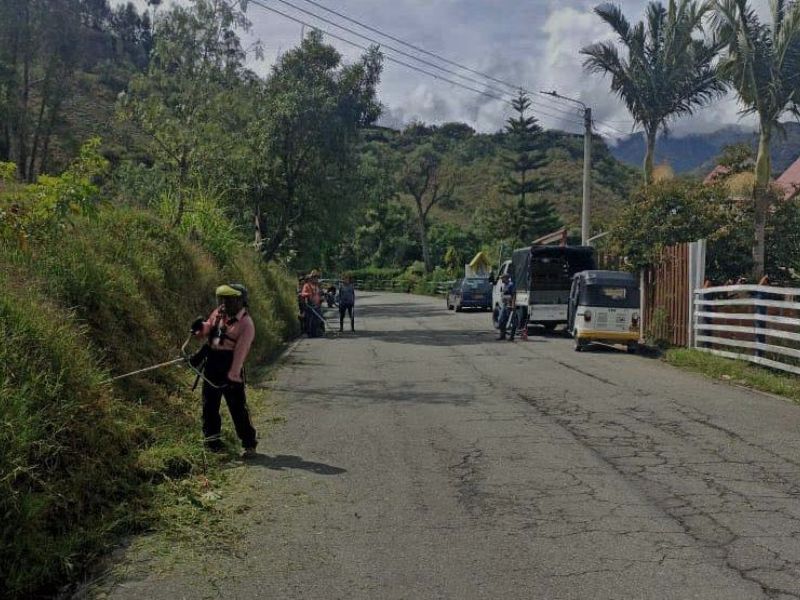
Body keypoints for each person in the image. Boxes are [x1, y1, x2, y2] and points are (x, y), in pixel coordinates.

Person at [191, 284, 258, 457]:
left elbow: (241, 352)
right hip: (212, 362)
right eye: (224, 299)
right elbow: (208, 328)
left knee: (237, 408)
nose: (226, 302)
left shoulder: (246, 324)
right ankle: (212, 443)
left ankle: (249, 444)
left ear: (240, 300)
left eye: (230, 299)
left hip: (230, 365)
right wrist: (200, 327)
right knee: (209, 406)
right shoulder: (219, 312)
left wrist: (233, 375)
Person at [301, 270, 323, 337]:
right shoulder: (306, 285)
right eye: (314, 277)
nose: (316, 279)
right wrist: (308, 294)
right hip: (310, 306)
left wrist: (321, 298)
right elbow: (303, 293)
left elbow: (319, 294)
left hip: (317, 305)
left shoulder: (317, 286)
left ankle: (316, 333)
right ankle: (310, 333)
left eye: (317, 277)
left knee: (317, 320)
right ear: (311, 278)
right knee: (309, 320)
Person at [497, 272, 517, 341]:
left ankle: (512, 337)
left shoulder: (511, 285)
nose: (501, 279)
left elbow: (514, 295)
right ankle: (502, 335)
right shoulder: (504, 285)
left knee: (512, 321)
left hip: (509, 306)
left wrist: (513, 305)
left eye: (502, 278)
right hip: (504, 305)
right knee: (501, 320)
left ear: (506, 278)